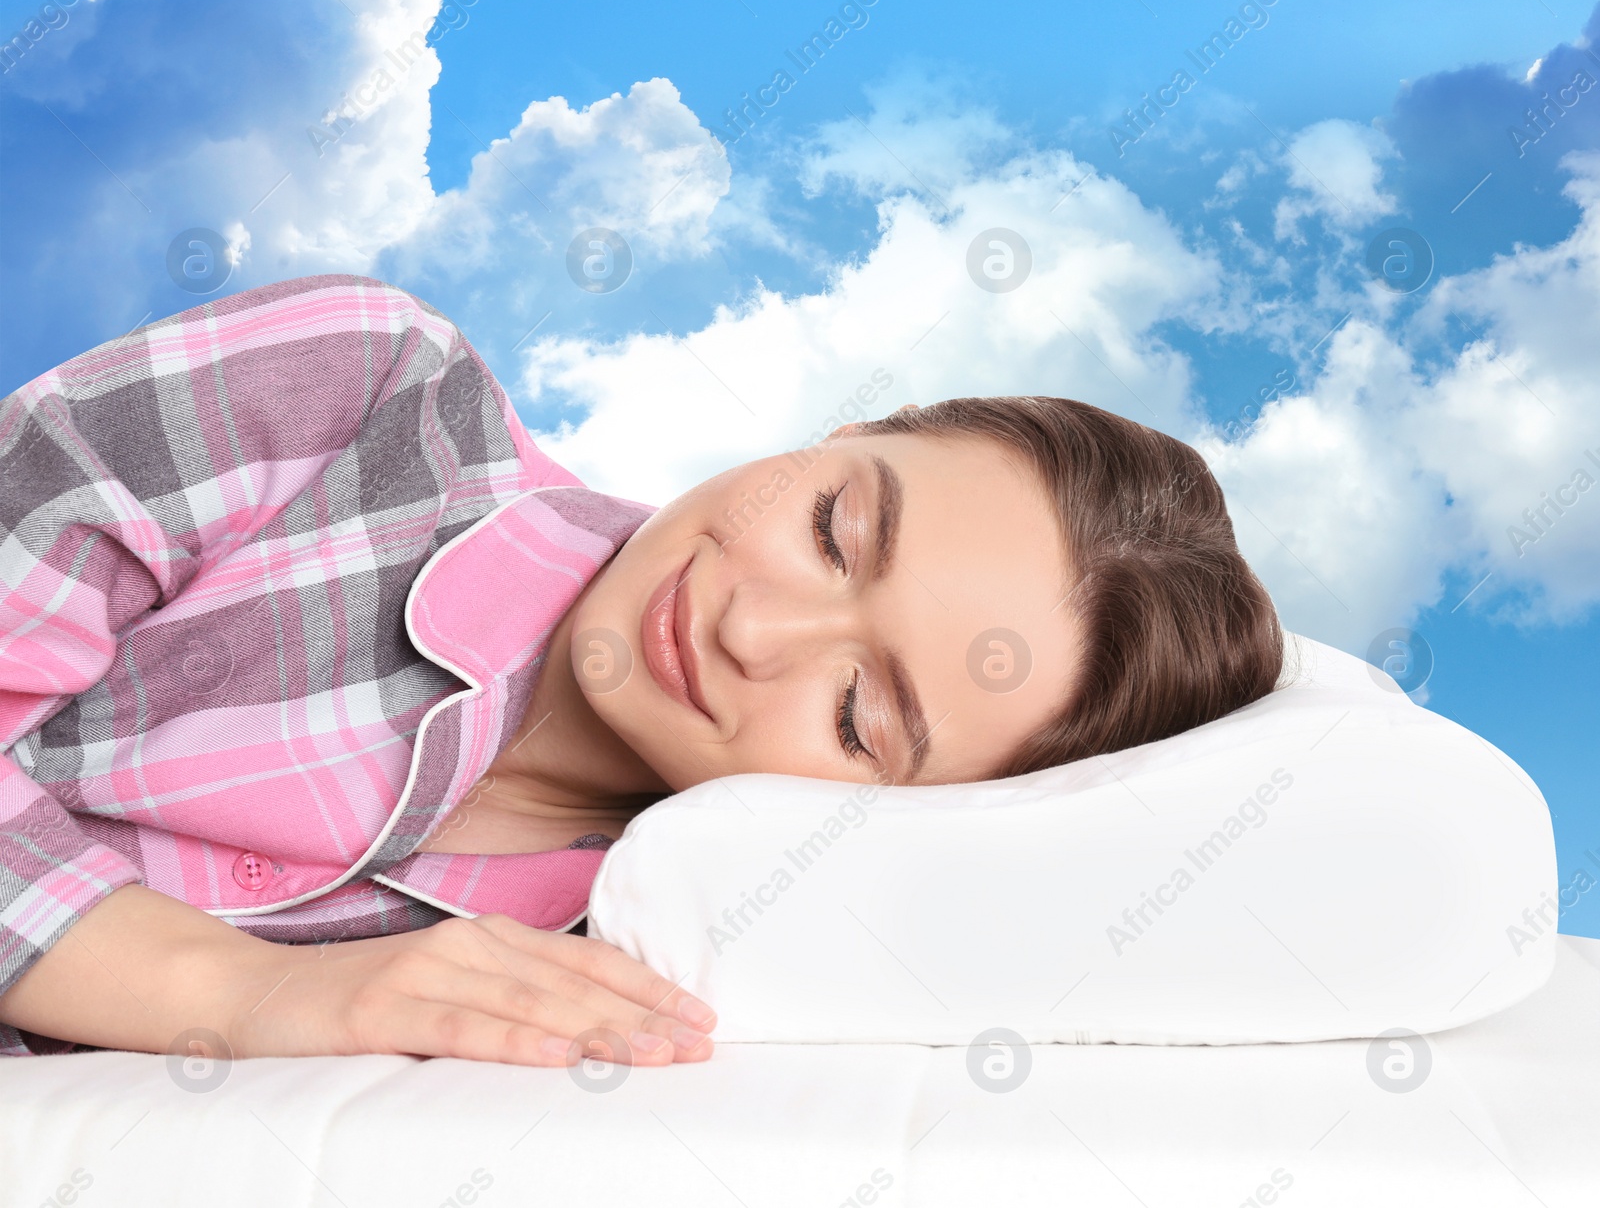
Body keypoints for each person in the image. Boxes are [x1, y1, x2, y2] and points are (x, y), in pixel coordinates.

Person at [0, 275, 1281, 1067]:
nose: (755, 630)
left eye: (858, 712)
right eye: (832, 526)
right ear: (841, 433)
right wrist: (245, 986)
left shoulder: (618, 965)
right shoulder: (359, 393)